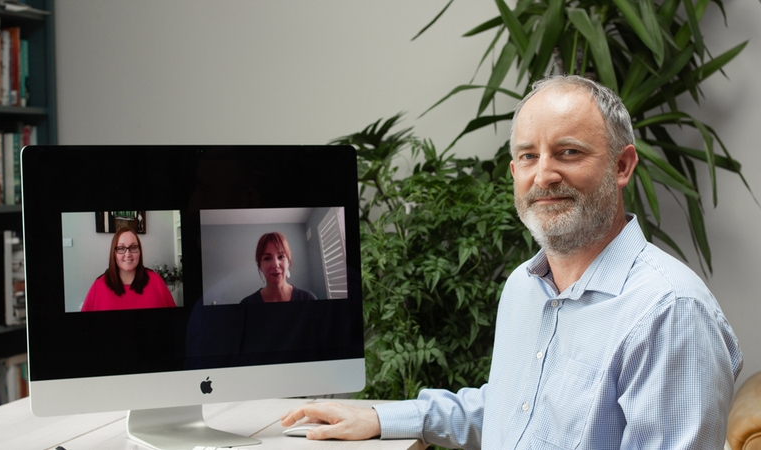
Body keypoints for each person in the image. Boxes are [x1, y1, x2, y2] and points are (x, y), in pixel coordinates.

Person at [279, 75, 743, 448]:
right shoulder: (525, 285)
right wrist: (381, 416)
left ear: (622, 167)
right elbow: (512, 410)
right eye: (528, 156)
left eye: (569, 152)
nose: (544, 175)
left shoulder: (670, 312)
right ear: (514, 173)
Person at [81, 227, 177, 311]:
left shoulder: (156, 281)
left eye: (133, 247)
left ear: (139, 251)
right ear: (114, 253)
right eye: (121, 248)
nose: (128, 254)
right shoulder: (98, 286)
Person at [240, 231, 317, 304]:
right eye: (267, 258)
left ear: (288, 262)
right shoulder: (246, 304)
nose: (276, 264)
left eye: (281, 257)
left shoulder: (308, 299)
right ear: (260, 265)